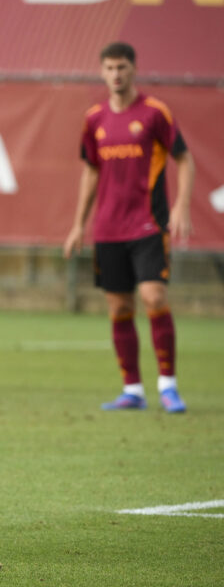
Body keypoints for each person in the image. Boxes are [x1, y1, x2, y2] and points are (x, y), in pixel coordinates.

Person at [64, 41, 195, 414]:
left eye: (121, 67)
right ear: (101, 72)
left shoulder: (155, 113)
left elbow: (184, 159)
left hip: (148, 225)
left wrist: (182, 204)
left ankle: (168, 386)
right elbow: (91, 171)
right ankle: (132, 390)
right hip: (108, 229)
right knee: (120, 306)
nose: (116, 74)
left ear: (134, 69)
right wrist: (78, 224)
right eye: (109, 68)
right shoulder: (94, 119)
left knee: (153, 297)